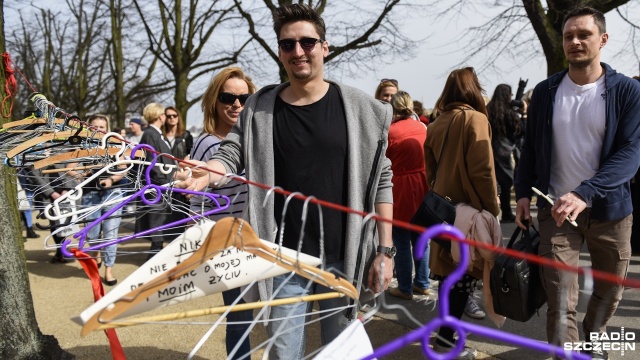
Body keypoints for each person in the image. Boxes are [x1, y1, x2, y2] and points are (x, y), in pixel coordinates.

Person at [177, 4, 394, 359]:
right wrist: (208, 172)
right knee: (282, 355)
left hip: (345, 259)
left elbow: (382, 178)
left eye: (307, 42)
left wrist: (384, 252)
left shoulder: (360, 109)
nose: (298, 52)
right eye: (287, 45)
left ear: (325, 47)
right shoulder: (259, 109)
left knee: (341, 354)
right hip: (282, 262)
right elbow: (231, 154)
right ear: (279, 52)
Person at [514, 6, 640, 359]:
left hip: (610, 212)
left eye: (583, 34)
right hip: (555, 212)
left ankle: (594, 332)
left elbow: (631, 155)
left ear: (602, 39)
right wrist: (522, 193)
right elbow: (530, 149)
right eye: (569, 35)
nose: (574, 41)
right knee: (559, 298)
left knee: (610, 291)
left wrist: (585, 192)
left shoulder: (627, 92)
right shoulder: (546, 91)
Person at [424, 67, 499, 359]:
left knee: (447, 276)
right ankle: (446, 339)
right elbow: (483, 171)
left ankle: (444, 334)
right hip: (468, 210)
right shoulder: (476, 119)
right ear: (473, 89)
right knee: (465, 277)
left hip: (442, 209)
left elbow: (430, 172)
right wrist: (491, 209)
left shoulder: (436, 122)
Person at [189, 67, 256, 359]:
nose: (237, 104)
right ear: (214, 101)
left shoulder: (253, 141)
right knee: (240, 318)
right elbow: (196, 202)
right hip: (228, 245)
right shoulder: (208, 144)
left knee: (250, 315)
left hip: (256, 239)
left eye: (244, 98)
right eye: (228, 97)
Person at [385, 91, 431, 301]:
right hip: (422, 183)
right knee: (422, 237)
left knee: (402, 240)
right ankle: (422, 282)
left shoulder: (390, 131)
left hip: (399, 185)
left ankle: (405, 287)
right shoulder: (422, 127)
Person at [82, 114, 125, 285]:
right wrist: (82, 172)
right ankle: (95, 253)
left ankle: (108, 270)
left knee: (110, 235)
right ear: (88, 128)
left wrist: (111, 179)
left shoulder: (115, 145)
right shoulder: (82, 147)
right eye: (95, 127)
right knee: (92, 235)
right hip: (90, 195)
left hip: (113, 194)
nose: (99, 130)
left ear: (107, 129)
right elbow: (70, 169)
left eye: (102, 127)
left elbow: (124, 169)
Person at [137, 103, 177, 257]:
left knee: (160, 222)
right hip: (158, 185)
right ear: (160, 116)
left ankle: (156, 253)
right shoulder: (150, 134)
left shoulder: (155, 134)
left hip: (162, 183)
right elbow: (152, 162)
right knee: (157, 222)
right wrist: (165, 181)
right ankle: (154, 257)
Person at [486, 84, 521, 222]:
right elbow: (518, 130)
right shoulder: (509, 111)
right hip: (504, 150)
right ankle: (506, 212)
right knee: (506, 183)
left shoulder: (488, 110)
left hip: (490, 148)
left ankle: (492, 210)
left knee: (493, 182)